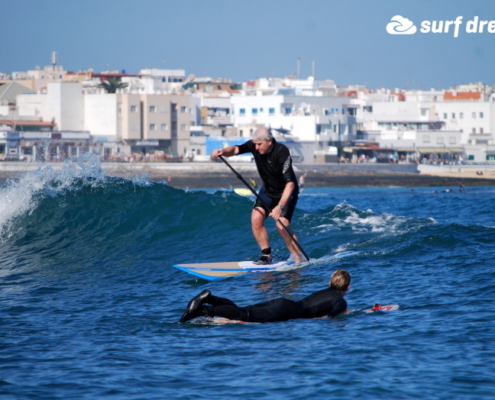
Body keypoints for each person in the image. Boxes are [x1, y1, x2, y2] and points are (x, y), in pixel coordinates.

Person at [211, 127, 302, 264]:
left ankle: (297, 258)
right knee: (256, 219)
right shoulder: (255, 145)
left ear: (269, 141)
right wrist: (222, 152)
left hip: (286, 192)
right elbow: (236, 150)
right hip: (268, 191)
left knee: (281, 226)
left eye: (260, 144)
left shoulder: (281, 152)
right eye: (255, 144)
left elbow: (290, 184)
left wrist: (280, 206)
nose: (257, 147)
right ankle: (266, 256)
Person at [179, 269, 351, 323]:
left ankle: (210, 298)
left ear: (330, 283)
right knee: (244, 316)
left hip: (284, 302)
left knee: (241, 310)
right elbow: (332, 316)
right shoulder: (340, 300)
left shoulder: (325, 291)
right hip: (287, 312)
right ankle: (205, 311)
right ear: (348, 287)